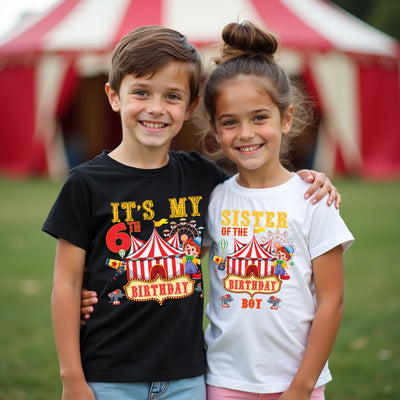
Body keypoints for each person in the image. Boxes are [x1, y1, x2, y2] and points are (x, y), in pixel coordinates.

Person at [45, 25, 339, 400]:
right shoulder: (85, 184)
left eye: (172, 95)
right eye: (141, 92)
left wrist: (310, 179)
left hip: (188, 378)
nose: (155, 107)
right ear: (113, 95)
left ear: (190, 105)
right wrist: (72, 378)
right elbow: (67, 283)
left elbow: (257, 195)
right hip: (107, 374)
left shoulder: (202, 179)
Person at [200, 22, 354, 400]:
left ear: (285, 119)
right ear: (216, 131)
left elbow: (332, 301)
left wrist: (301, 387)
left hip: (298, 383)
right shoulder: (214, 199)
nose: (246, 133)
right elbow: (177, 270)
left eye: (259, 117)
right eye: (230, 122)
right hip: (224, 379)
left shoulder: (314, 199)